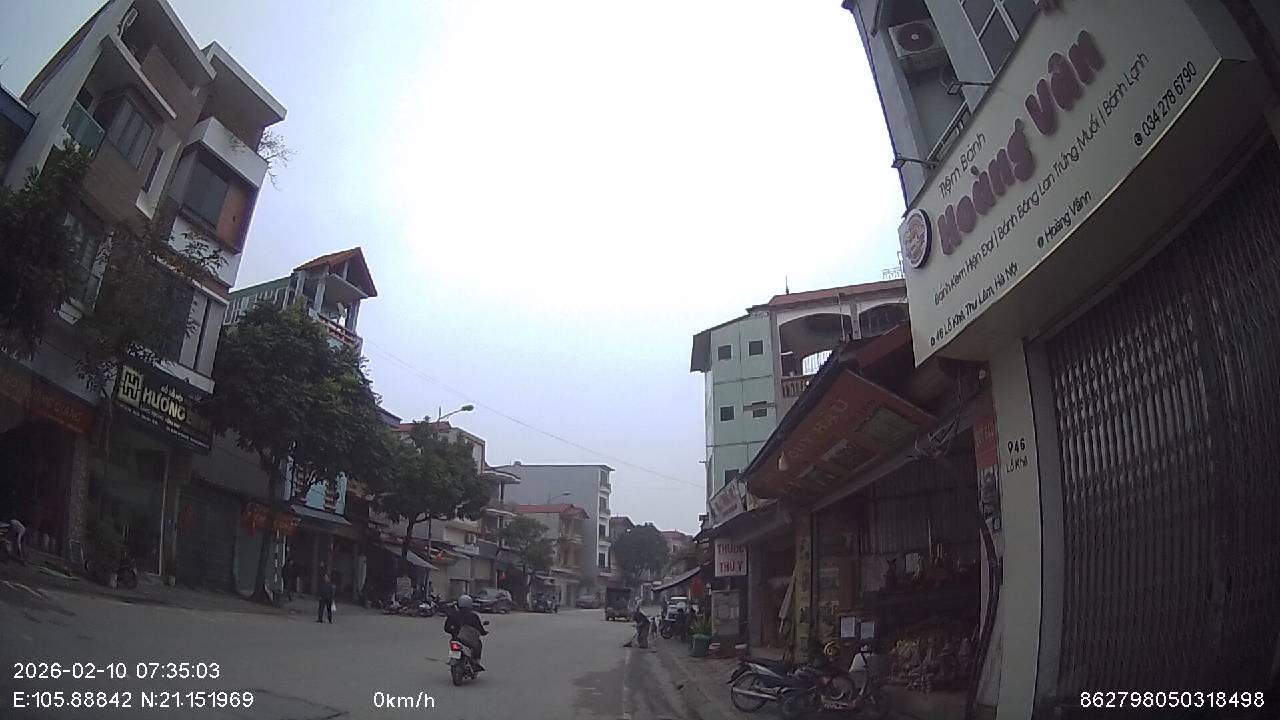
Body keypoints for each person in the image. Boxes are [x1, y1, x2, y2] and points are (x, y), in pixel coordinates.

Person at [444, 594, 488, 671]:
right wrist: (484, 632)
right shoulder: (473, 616)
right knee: (478, 645)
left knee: (453, 645)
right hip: (469, 641)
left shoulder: (453, 615)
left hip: (456, 639)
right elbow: (479, 628)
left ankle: (455, 659)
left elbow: (446, 628)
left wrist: (453, 632)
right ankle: (475, 663)